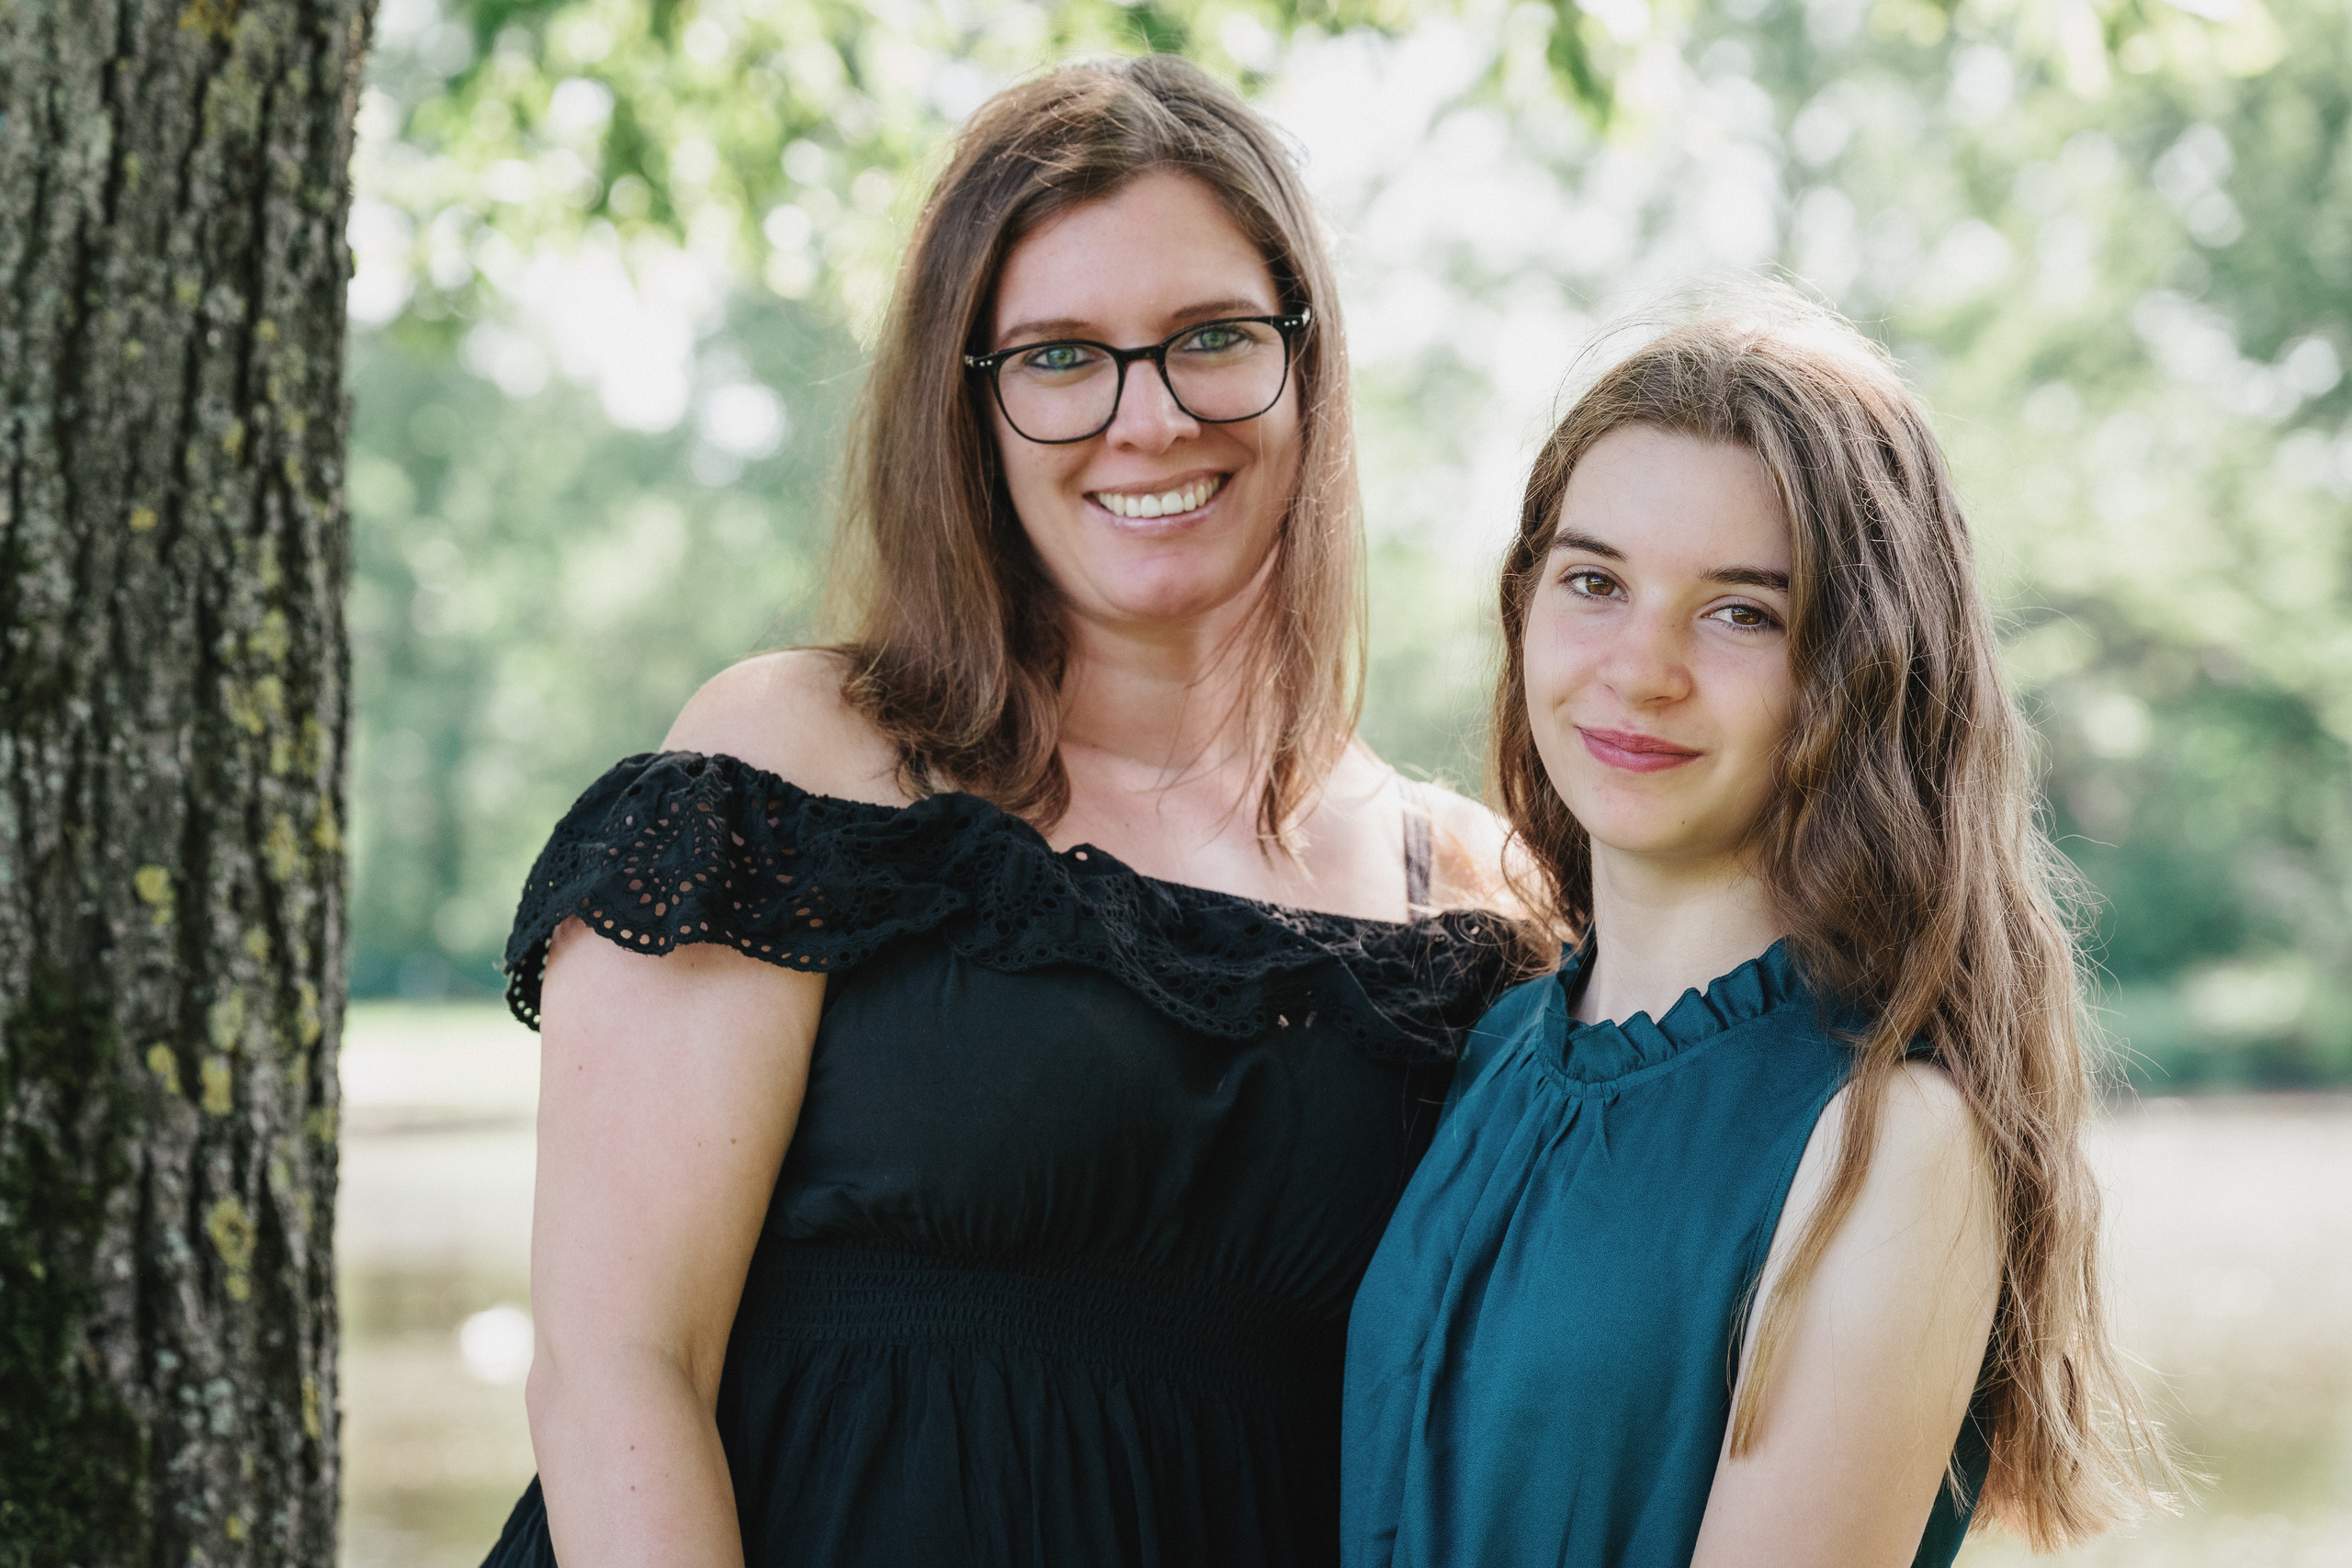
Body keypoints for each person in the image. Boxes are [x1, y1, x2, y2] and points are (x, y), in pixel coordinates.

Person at [480, 55, 1525, 1568]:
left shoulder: (1476, 902)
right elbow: (615, 1370)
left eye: (1212, 339)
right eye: (1057, 357)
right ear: (965, 405)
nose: (1146, 418)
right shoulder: (796, 762)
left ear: (1308, 367)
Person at [1340, 304, 2177, 1567]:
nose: (1640, 667)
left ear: (1863, 669)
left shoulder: (1887, 1136)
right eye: (1595, 582)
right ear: (1524, 607)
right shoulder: (1497, 1046)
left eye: (1741, 612)